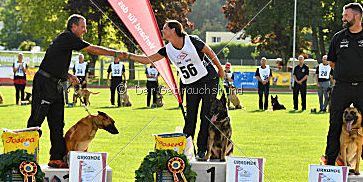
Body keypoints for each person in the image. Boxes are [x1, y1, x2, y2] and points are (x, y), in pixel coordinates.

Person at [27, 14, 123, 168]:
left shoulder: (67, 41)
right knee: (36, 122)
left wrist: (68, 75)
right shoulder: (67, 37)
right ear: (73, 27)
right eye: (83, 27)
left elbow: (54, 62)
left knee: (57, 123)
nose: (85, 30)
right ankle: (25, 157)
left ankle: (56, 158)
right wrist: (115, 53)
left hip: (58, 85)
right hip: (45, 84)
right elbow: (92, 49)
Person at [121, 20, 224, 160]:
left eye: (165, 28)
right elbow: (147, 59)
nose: (162, 31)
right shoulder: (167, 49)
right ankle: (186, 148)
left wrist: (220, 69)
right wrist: (128, 55)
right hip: (191, 84)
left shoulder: (192, 41)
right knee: (190, 118)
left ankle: (201, 149)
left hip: (208, 80)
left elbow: (210, 52)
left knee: (205, 116)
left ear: (174, 30)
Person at [322, 2, 363, 176]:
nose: (343, 18)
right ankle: (330, 161)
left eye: (345, 15)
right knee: (334, 125)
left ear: (356, 17)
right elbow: (332, 62)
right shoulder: (338, 37)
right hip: (342, 87)